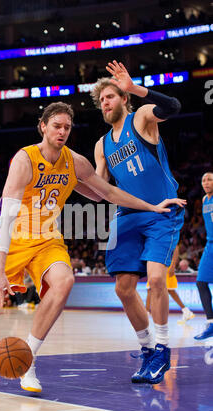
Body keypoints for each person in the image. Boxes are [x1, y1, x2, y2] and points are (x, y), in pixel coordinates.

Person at [0, 101, 185, 394]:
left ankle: (30, 361)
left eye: (67, 127)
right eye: (56, 126)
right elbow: (7, 218)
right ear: (43, 127)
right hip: (13, 237)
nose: (62, 132)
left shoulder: (75, 162)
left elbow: (108, 192)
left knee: (64, 281)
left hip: (48, 238)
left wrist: (151, 206)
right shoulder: (25, 160)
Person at [91, 60, 185, 384]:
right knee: (123, 288)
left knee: (157, 280)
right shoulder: (101, 146)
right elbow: (100, 190)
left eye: (111, 96)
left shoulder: (142, 118)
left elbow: (173, 106)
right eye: (101, 99)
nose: (105, 103)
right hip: (126, 216)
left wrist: (136, 87)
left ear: (123, 99)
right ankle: (146, 349)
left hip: (161, 212)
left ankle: (162, 348)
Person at [146, 245, 195, 324]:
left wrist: (173, 265)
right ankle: (186, 311)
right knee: (153, 289)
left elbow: (175, 248)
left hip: (165, 265)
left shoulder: (169, 234)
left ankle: (146, 314)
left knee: (157, 289)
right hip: (157, 263)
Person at [194, 172, 213, 340]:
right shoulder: (205, 200)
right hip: (210, 245)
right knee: (201, 282)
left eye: (210, 180)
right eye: (204, 180)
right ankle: (211, 323)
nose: (206, 182)